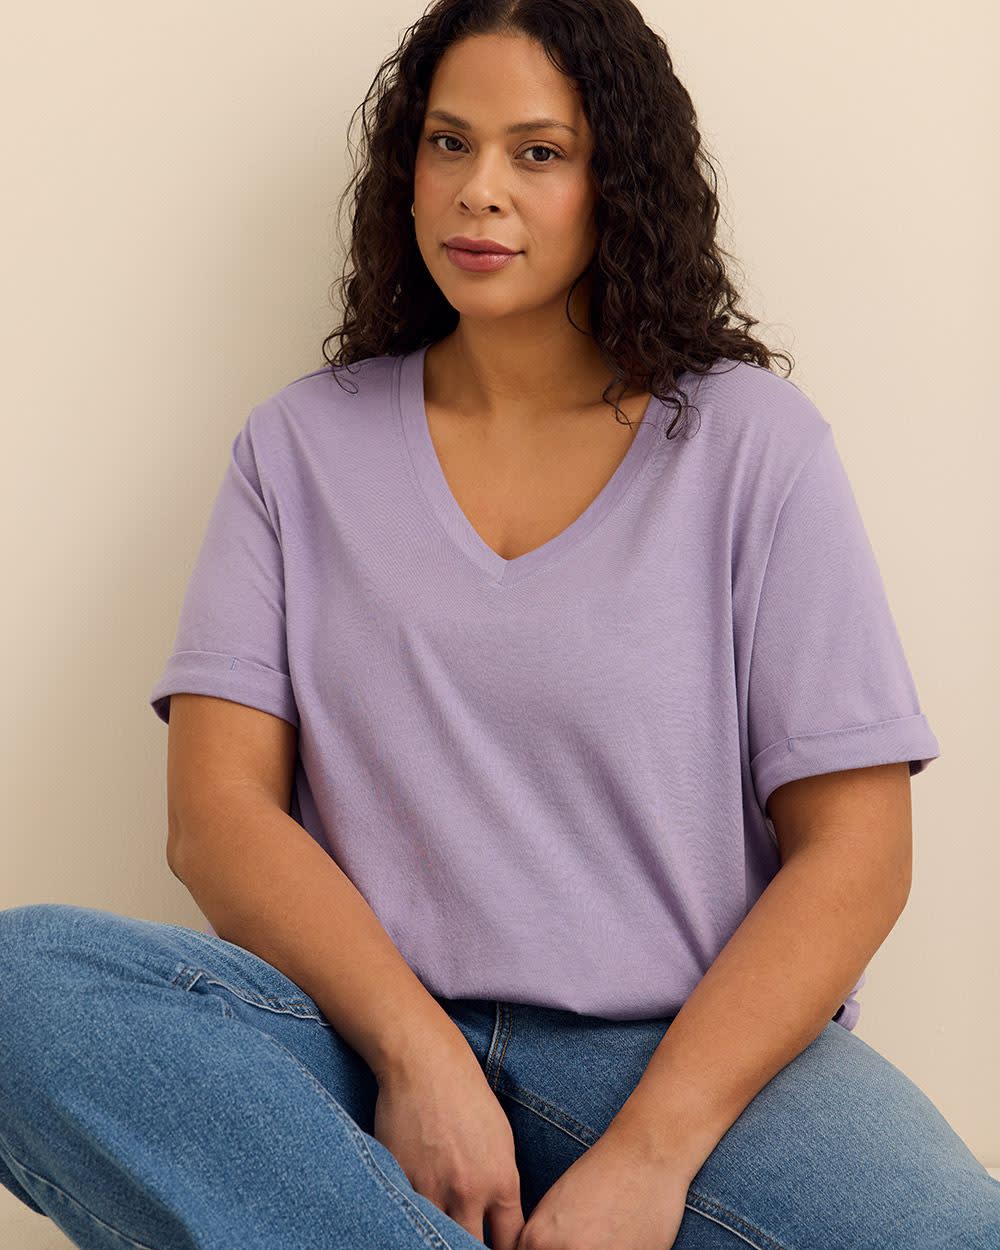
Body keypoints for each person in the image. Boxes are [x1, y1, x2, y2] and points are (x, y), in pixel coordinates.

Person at [2, 3, 997, 1248]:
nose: (479, 189)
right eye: (448, 143)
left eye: (538, 152)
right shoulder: (296, 450)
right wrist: (415, 1053)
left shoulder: (752, 446)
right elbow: (217, 814)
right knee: (22, 987)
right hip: (355, 1038)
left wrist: (648, 1154)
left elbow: (857, 849)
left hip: (687, 1057)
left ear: (615, 181)